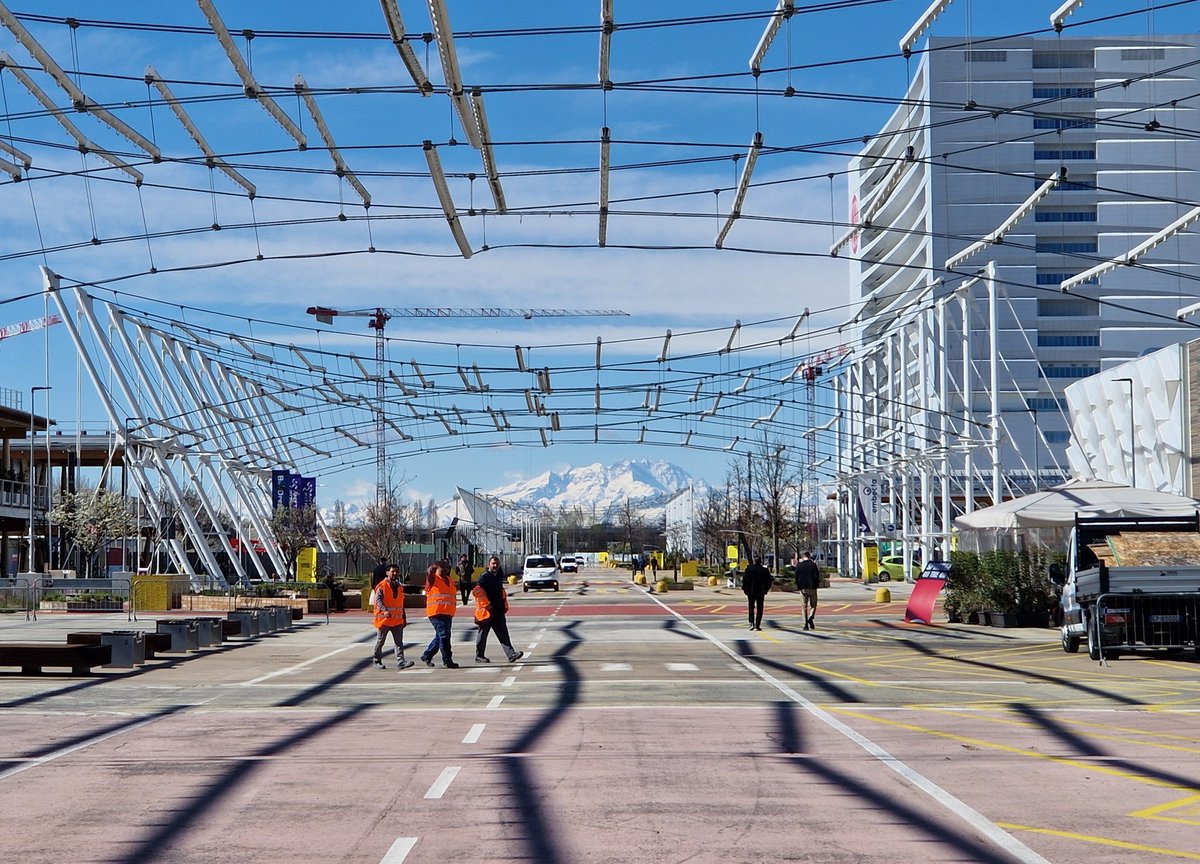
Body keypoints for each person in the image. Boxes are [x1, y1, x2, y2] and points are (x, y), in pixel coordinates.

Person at [472, 555, 524, 664]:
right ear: (488, 565)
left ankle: (511, 654)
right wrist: (487, 605)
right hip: (487, 611)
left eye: (497, 563)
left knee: (503, 634)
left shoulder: (498, 576)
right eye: (493, 564)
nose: (495, 566)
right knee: (483, 634)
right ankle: (479, 656)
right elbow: (477, 591)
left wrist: (504, 605)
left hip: (498, 611)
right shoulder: (484, 577)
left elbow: (501, 592)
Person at [420, 559, 459, 668]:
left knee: (441, 636)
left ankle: (427, 655)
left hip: (448, 613)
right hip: (436, 613)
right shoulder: (433, 579)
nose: (446, 570)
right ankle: (447, 660)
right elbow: (429, 575)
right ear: (435, 569)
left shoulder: (450, 580)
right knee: (444, 636)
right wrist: (431, 569)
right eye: (443, 568)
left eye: (447, 568)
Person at [372, 565, 413, 669]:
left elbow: (401, 603)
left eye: (397, 572)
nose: (395, 574)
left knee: (399, 642)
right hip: (385, 620)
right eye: (392, 571)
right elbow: (378, 601)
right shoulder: (382, 586)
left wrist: (404, 618)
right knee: (380, 641)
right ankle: (377, 661)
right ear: (387, 573)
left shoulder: (399, 587)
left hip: (397, 620)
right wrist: (385, 610)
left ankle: (401, 661)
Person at [742, 555, 773, 631]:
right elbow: (768, 582)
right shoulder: (764, 570)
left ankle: (751, 622)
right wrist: (765, 590)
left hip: (751, 592)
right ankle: (757, 625)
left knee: (751, 607)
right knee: (760, 608)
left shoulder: (749, 569)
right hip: (760, 592)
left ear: (754, 561)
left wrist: (746, 590)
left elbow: (744, 581)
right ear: (760, 561)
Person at [793, 550, 821, 631]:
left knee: (804, 606)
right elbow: (816, 576)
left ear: (802, 556)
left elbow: (796, 577)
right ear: (809, 556)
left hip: (803, 588)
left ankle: (805, 624)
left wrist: (798, 586)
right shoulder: (813, 565)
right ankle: (811, 617)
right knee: (813, 605)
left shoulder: (799, 565)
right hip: (812, 588)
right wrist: (816, 585)